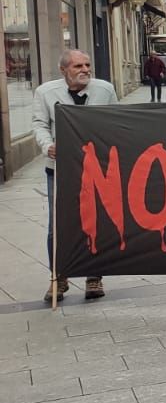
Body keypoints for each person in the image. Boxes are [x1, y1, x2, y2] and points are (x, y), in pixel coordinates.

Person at [32, 50, 117, 303]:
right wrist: (47, 146)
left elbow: (116, 120)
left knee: (97, 220)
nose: (85, 69)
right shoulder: (45, 92)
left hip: (96, 168)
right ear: (64, 70)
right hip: (60, 169)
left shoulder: (104, 89)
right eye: (78, 65)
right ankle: (58, 277)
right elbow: (39, 123)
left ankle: (94, 277)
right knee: (57, 224)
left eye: (88, 64)